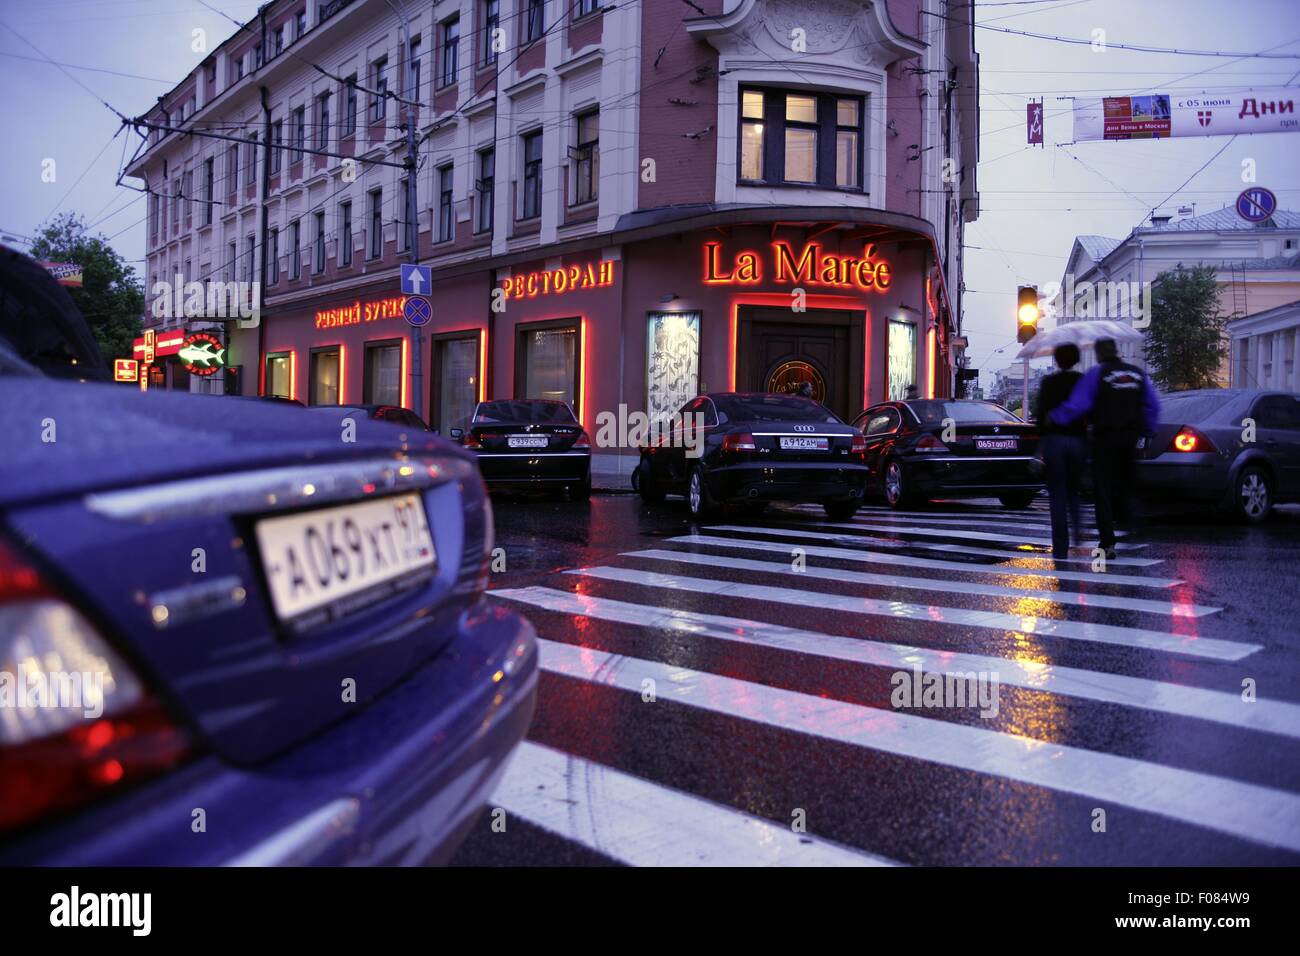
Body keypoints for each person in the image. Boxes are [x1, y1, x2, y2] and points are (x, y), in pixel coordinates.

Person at [1050, 338, 1160, 559]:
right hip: (1130, 438)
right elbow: (1152, 405)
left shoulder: (1097, 374)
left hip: (1105, 438)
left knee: (1103, 490)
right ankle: (1132, 526)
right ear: (1117, 351)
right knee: (1127, 483)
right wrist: (1149, 430)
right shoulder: (1138, 374)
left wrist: (1055, 417)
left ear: (1100, 354)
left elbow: (1078, 405)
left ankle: (1108, 542)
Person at [1034, 344, 1086, 559]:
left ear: (1056, 360)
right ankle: (1078, 532)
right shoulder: (1082, 381)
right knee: (1074, 490)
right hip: (1077, 440)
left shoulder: (1049, 382)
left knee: (1057, 493)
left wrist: (1041, 440)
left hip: (1054, 440)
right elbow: (1088, 409)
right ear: (1076, 359)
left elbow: (1040, 414)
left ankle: (1060, 545)